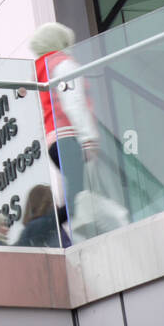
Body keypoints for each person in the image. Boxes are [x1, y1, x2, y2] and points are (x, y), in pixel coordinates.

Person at [29, 22, 98, 229]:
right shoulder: (63, 64)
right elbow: (74, 103)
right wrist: (88, 138)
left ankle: (44, 227)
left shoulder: (41, 69)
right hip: (69, 138)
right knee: (77, 199)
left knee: (78, 196)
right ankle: (40, 228)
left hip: (54, 140)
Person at [14, 184, 68, 248]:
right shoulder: (44, 223)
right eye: (52, 199)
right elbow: (66, 211)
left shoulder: (30, 228)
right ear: (47, 201)